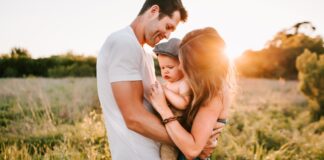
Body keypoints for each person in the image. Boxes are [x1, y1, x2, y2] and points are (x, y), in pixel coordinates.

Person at [97, 0, 223, 159]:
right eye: (168, 26)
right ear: (153, 11)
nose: (168, 35)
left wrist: (196, 138)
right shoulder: (124, 43)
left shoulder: (145, 55)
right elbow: (133, 118)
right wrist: (193, 144)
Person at [149, 27, 235, 160]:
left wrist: (163, 108)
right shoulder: (203, 87)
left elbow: (192, 149)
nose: (181, 68)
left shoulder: (215, 93)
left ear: (198, 68)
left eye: (184, 64)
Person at [153, 38, 191, 160]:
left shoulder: (183, 83)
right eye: (162, 68)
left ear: (183, 66)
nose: (166, 71)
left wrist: (165, 91)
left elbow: (184, 103)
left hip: (178, 125)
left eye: (170, 67)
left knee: (167, 152)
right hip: (166, 123)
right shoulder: (169, 84)